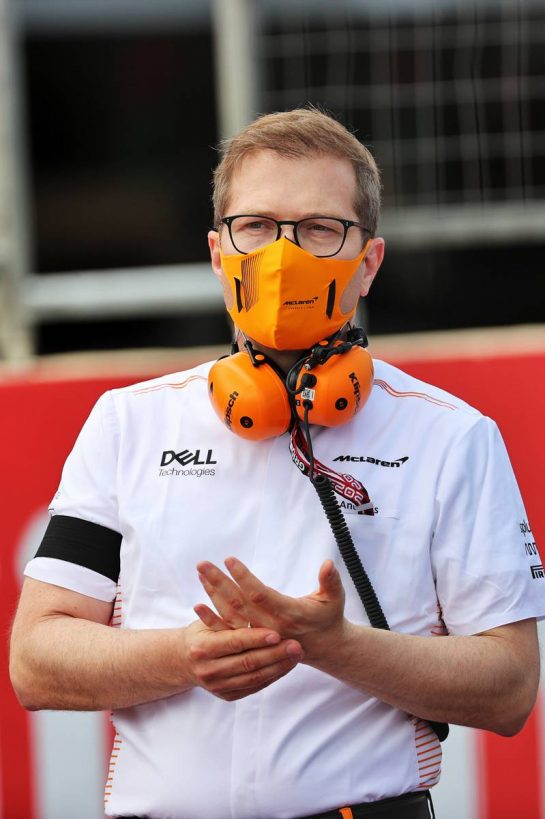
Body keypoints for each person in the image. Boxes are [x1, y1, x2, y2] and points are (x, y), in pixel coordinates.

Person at [9, 107, 543, 819]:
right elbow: (36, 657)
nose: (281, 255)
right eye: (255, 225)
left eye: (320, 229)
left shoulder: (451, 434)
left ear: (369, 262)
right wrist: (183, 655)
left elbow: (508, 686)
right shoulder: (127, 422)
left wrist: (337, 646)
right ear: (215, 251)